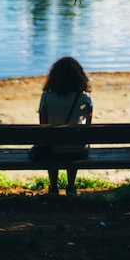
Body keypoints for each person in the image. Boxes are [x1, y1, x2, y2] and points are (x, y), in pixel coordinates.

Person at [38, 56, 93, 196]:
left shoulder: (46, 97)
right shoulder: (84, 98)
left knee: (51, 144)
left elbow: (42, 127)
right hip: (77, 151)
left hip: (53, 151)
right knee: (74, 143)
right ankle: (70, 186)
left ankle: (53, 187)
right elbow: (88, 127)